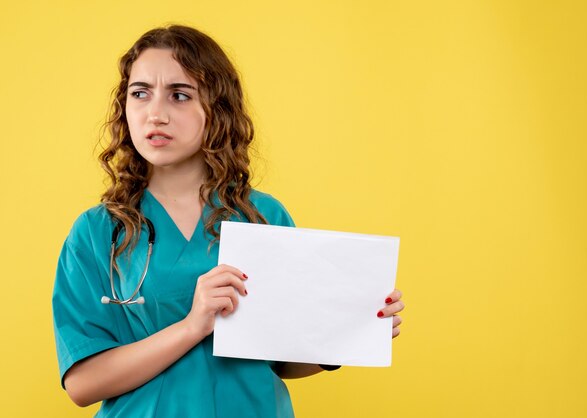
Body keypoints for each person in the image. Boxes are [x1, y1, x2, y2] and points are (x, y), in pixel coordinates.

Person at [52, 25, 405, 417]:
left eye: (179, 95)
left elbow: (282, 360)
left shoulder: (263, 217)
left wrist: (347, 332)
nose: (155, 113)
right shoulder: (99, 232)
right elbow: (82, 383)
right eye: (140, 93)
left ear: (216, 109)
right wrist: (193, 325)